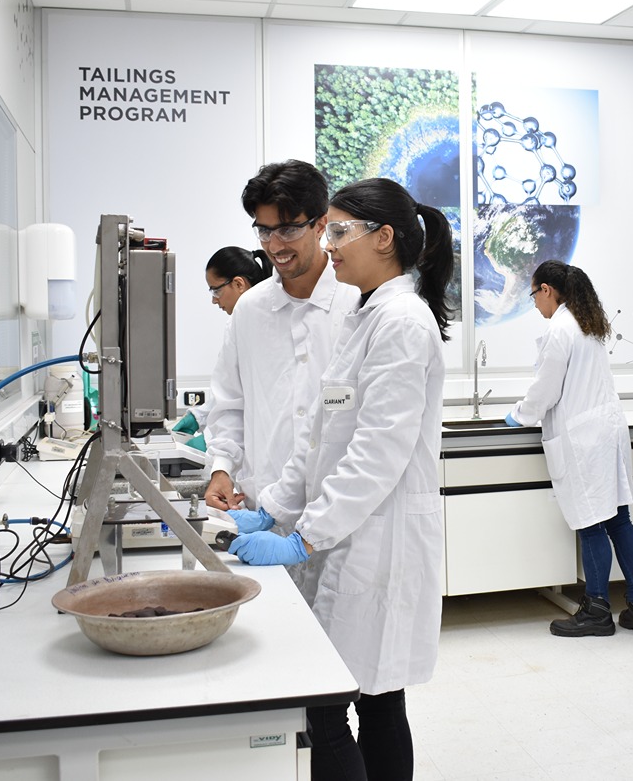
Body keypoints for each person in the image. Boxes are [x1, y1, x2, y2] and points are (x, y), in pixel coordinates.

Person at [226, 177, 454, 781]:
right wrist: (273, 510)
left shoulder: (402, 320)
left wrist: (306, 537)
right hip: (352, 535)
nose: (328, 245)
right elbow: (322, 439)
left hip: (379, 542)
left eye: (339, 231)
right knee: (376, 702)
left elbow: (378, 452)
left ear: (385, 238)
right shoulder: (365, 315)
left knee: (330, 711)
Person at [505, 261, 633, 638]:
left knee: (591, 526)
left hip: (584, 438)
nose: (534, 304)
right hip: (607, 430)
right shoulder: (586, 324)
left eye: (533, 295)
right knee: (620, 520)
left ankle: (598, 612)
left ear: (546, 290)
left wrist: (519, 414)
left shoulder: (561, 329)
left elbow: (545, 390)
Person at [201, 161, 360, 513]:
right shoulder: (249, 310)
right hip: (265, 508)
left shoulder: (356, 303)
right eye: (264, 231)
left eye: (287, 230)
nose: (274, 245)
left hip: (342, 512)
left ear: (321, 225)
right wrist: (222, 469)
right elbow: (230, 404)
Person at [169, 246, 272, 449]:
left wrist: (210, 441)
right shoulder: (241, 323)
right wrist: (199, 416)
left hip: (262, 445)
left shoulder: (267, 325)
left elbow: (253, 400)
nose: (214, 299)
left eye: (216, 290)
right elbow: (232, 389)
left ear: (238, 284)